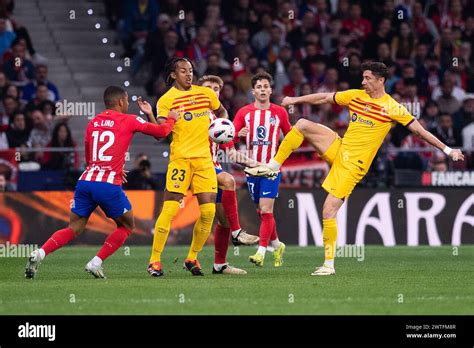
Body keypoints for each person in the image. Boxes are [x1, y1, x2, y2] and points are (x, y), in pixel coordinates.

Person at [246, 62, 464, 276]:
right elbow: (324, 97)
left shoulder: (392, 107)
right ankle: (272, 167)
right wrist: (294, 99)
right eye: (363, 78)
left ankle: (329, 265)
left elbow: (420, 131)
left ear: (381, 81)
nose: (363, 82)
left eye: (368, 78)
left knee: (328, 210)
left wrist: (448, 150)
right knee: (302, 124)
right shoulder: (356, 96)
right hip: (340, 148)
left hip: (353, 165)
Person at [25, 86, 178, 279]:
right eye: (127, 100)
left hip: (86, 181)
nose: (129, 104)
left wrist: (112, 167)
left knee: (74, 228)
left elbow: (90, 158)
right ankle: (95, 262)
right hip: (107, 185)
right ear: (121, 101)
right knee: (126, 226)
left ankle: (40, 253)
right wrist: (171, 117)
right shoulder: (129, 120)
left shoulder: (93, 122)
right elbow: (162, 132)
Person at [146, 57, 229, 277]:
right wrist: (151, 117)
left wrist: (222, 129)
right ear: (173, 75)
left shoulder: (206, 94)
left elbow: (222, 113)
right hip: (180, 160)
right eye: (183, 71)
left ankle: (192, 258)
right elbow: (161, 133)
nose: (188, 74)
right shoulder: (166, 100)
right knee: (171, 208)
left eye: (190, 70)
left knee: (208, 211)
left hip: (204, 161)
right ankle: (154, 261)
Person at [197, 74, 260, 275]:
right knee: (228, 179)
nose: (212, 92)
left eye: (216, 89)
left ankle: (220, 265)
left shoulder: (219, 121)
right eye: (208, 88)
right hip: (195, 167)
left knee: (222, 220)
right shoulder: (192, 114)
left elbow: (231, 153)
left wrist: (260, 164)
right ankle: (237, 232)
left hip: (211, 168)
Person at [233, 72, 291, 267]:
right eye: (259, 87)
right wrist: (237, 135)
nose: (263, 89)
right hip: (251, 170)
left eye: (266, 86)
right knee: (262, 211)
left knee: (266, 210)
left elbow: (290, 138)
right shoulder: (243, 113)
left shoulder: (280, 113)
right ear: (253, 91)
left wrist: (278, 159)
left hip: (271, 169)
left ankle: (261, 252)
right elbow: (228, 139)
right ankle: (277, 244)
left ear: (271, 90)